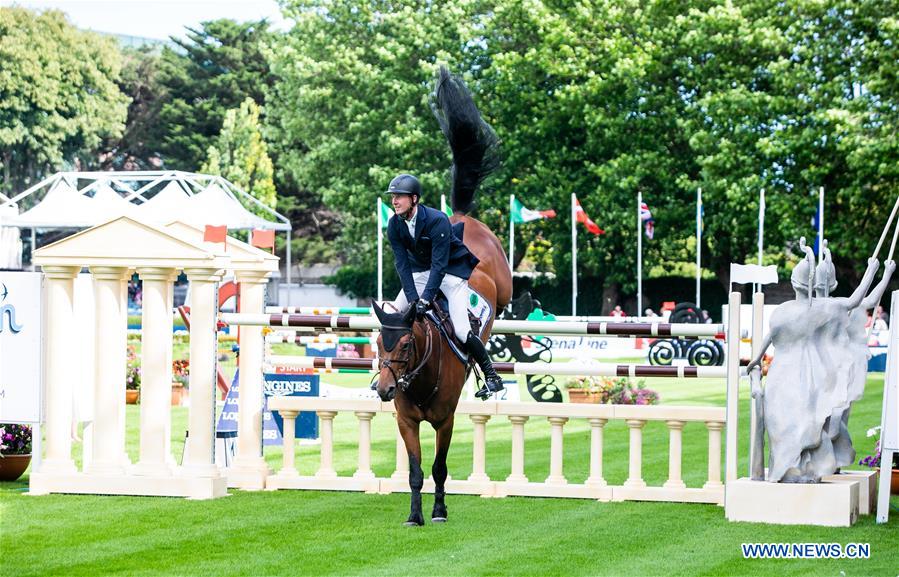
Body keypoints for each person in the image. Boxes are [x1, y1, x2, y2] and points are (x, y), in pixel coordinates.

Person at [384, 173, 505, 399]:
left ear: (414, 199)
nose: (394, 201)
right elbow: (402, 265)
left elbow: (439, 266)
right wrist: (412, 300)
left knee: (461, 330)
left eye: (399, 196)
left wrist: (425, 300)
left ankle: (492, 377)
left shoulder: (437, 220)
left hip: (450, 272)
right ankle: (387, 374)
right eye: (393, 197)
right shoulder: (394, 225)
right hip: (420, 272)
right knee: (391, 315)